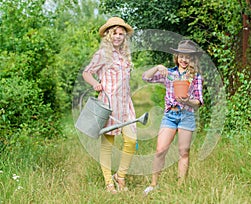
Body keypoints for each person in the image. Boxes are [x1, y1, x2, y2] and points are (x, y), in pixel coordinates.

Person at [142, 40, 204, 195]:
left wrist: (187, 101)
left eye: (188, 57)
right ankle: (154, 184)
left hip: (186, 115)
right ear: (177, 57)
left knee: (184, 152)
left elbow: (198, 102)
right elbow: (146, 78)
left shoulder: (196, 77)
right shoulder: (169, 73)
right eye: (181, 56)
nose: (184, 59)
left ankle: (180, 186)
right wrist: (157, 67)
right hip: (170, 115)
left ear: (193, 59)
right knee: (160, 150)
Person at [82, 17, 136, 194]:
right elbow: (87, 73)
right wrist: (95, 84)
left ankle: (120, 176)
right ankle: (109, 184)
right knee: (108, 144)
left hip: (125, 104)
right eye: (115, 33)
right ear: (108, 35)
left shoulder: (124, 55)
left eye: (121, 34)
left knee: (131, 140)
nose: (118, 36)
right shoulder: (102, 54)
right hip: (109, 104)